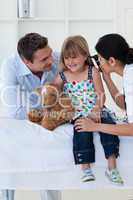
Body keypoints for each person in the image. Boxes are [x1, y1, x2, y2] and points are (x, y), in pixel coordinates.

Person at [53, 35, 123, 184]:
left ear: (85, 55)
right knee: (81, 130)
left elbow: (100, 94)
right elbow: (52, 91)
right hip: (78, 112)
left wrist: (97, 108)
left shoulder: (92, 72)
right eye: (66, 58)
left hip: (96, 109)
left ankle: (112, 167)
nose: (70, 62)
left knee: (109, 126)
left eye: (74, 57)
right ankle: (86, 168)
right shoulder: (63, 76)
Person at [0, 33, 61, 200]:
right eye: (43, 60)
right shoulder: (10, 66)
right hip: (19, 118)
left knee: (48, 163)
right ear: (26, 62)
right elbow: (14, 110)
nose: (51, 60)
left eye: (50, 54)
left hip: (51, 117)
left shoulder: (56, 58)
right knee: (7, 161)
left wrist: (54, 116)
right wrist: (45, 115)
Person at [74, 33, 133, 136]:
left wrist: (94, 126)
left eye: (100, 59)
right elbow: (123, 104)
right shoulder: (129, 70)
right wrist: (107, 78)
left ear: (111, 61)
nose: (99, 63)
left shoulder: (130, 78)